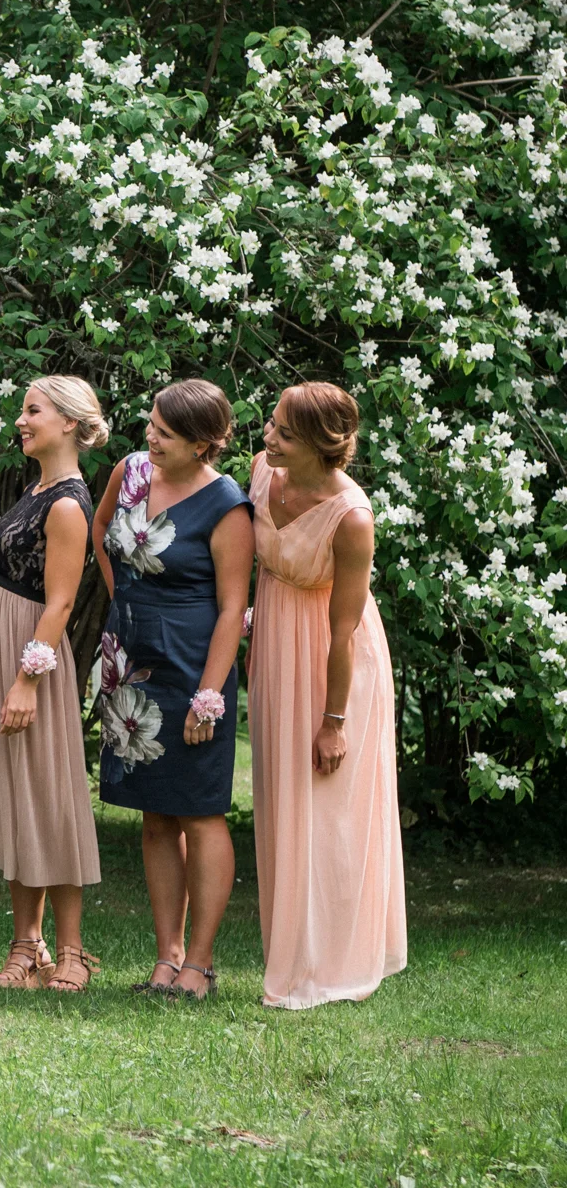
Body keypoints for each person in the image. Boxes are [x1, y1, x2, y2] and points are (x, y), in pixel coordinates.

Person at [91, 378, 252, 1000]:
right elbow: (102, 530)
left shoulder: (227, 505)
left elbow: (233, 607)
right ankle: (166, 958)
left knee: (199, 811)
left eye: (165, 433)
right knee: (155, 814)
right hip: (131, 663)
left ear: (202, 444)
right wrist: (125, 604)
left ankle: (200, 965)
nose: (150, 438)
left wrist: (208, 697)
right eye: (151, 425)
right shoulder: (131, 471)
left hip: (191, 665)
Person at [248, 383, 406, 1008]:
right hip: (276, 648)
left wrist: (333, 721)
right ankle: (292, 949)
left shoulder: (351, 517)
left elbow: (344, 628)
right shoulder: (264, 472)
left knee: (331, 814)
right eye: (272, 425)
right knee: (284, 802)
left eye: (285, 434)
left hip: (335, 663)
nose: (269, 438)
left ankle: (333, 963)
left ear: (321, 444)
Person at [0, 377, 105, 992]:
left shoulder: (67, 504)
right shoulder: (34, 489)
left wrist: (25, 680)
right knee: (16, 799)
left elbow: (61, 602)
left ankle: (71, 951)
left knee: (49, 798)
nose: (20, 421)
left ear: (69, 422)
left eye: (33, 411)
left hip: (31, 658)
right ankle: (26, 946)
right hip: (1, 645)